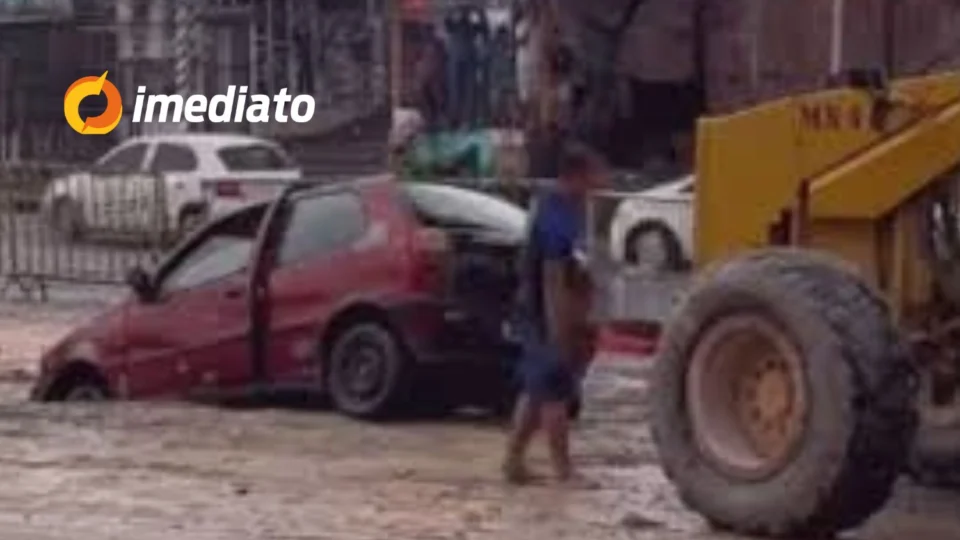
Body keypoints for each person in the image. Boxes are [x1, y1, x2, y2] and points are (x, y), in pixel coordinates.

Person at [503, 142, 606, 485]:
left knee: (537, 390)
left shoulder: (571, 209)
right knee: (555, 389)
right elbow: (553, 275)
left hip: (550, 312)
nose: (600, 182)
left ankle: (513, 462)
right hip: (544, 313)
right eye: (595, 175)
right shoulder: (556, 212)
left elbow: (578, 269)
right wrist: (561, 328)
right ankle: (564, 471)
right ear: (576, 176)